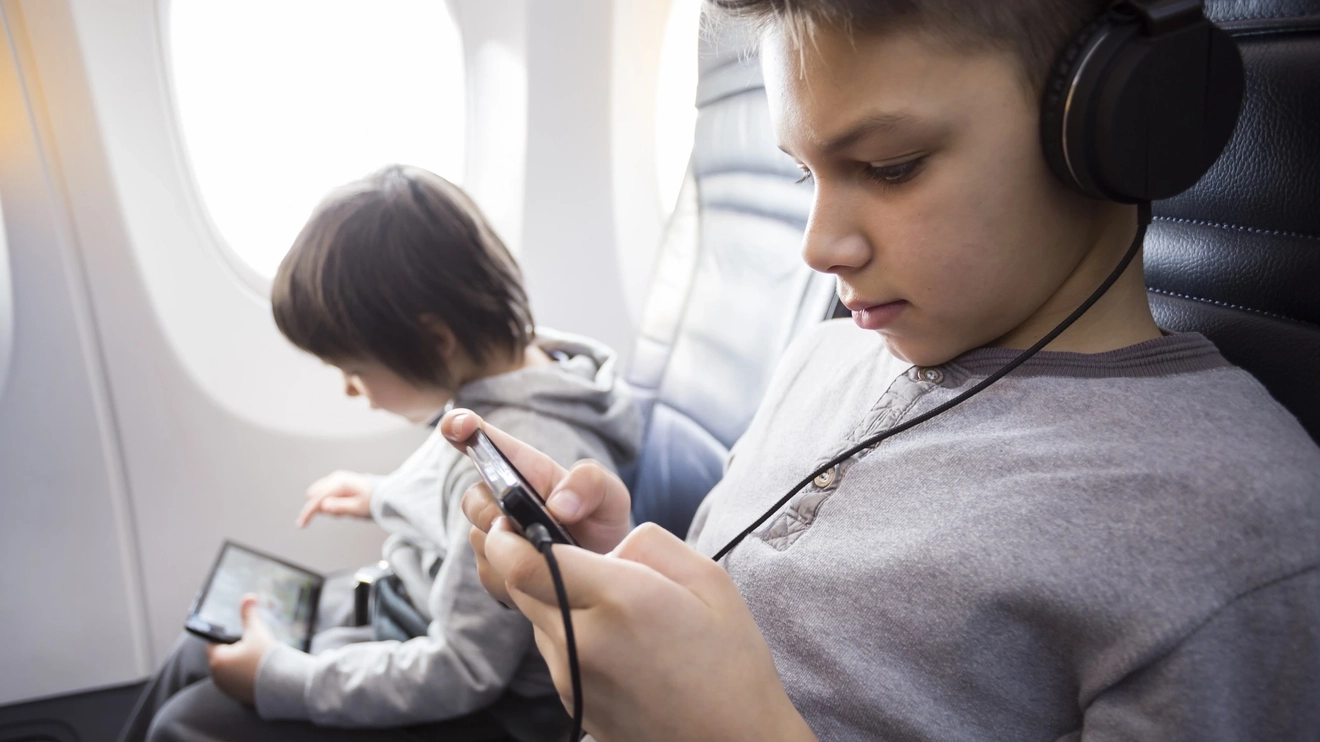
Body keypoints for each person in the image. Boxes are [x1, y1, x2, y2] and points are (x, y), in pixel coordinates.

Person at [442, 2, 1320, 740]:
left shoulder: (1240, 540)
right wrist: (618, 578)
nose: (820, 247)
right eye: (803, 175)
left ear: (1120, 129)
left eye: (889, 168)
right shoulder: (827, 354)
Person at [119, 165, 640, 742]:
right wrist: (379, 495)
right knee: (204, 642)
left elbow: (464, 669)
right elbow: (445, 509)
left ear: (435, 340)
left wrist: (283, 680)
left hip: (482, 707)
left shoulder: (518, 457)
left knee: (184, 725)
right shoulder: (523, 368)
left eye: (354, 370)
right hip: (410, 605)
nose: (348, 388)